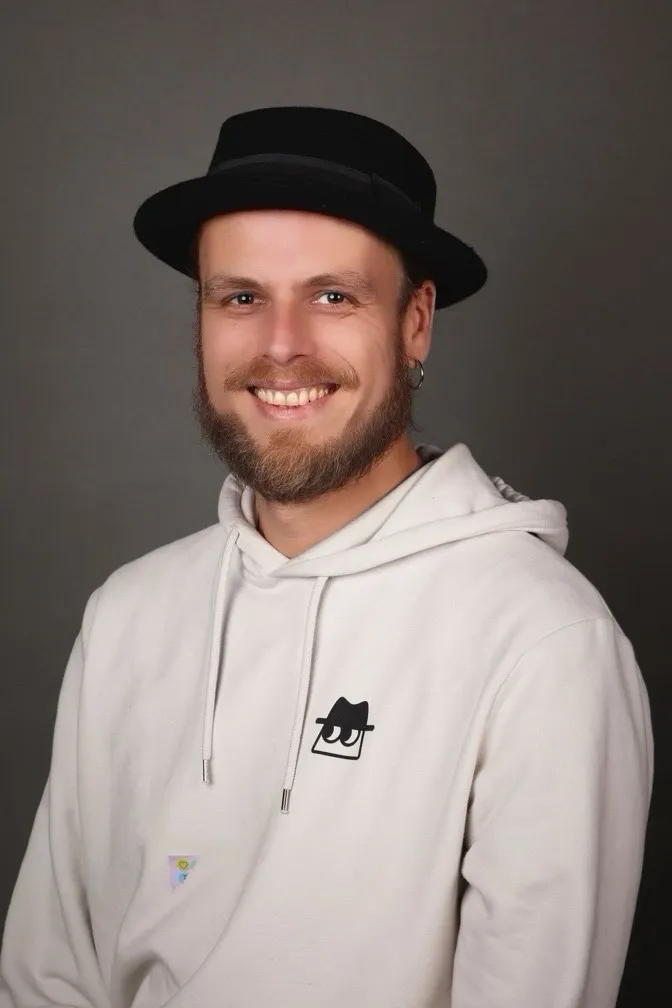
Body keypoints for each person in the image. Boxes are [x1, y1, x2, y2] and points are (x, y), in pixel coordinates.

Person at [0, 106, 653, 1008]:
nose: (280, 345)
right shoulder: (128, 615)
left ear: (415, 323)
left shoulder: (545, 643)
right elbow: (45, 977)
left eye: (333, 296)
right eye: (240, 297)